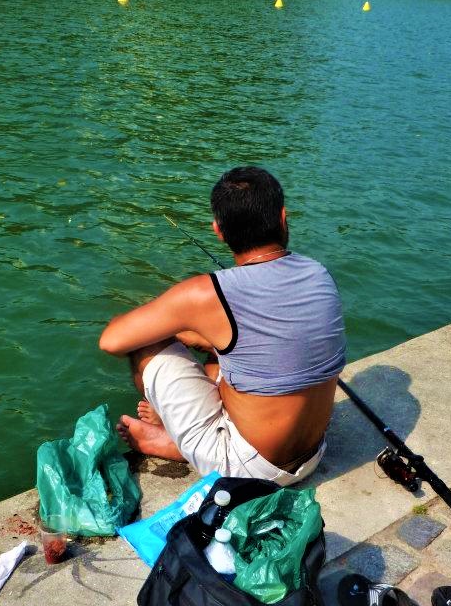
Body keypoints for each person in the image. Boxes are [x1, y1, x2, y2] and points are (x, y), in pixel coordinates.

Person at [99, 167, 346, 485]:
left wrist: (174, 327)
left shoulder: (207, 293)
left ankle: (174, 438)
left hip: (246, 470)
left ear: (219, 230)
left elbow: (112, 340)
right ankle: (188, 434)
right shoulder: (318, 273)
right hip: (313, 454)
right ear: (283, 218)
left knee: (145, 345)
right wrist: (203, 336)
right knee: (222, 347)